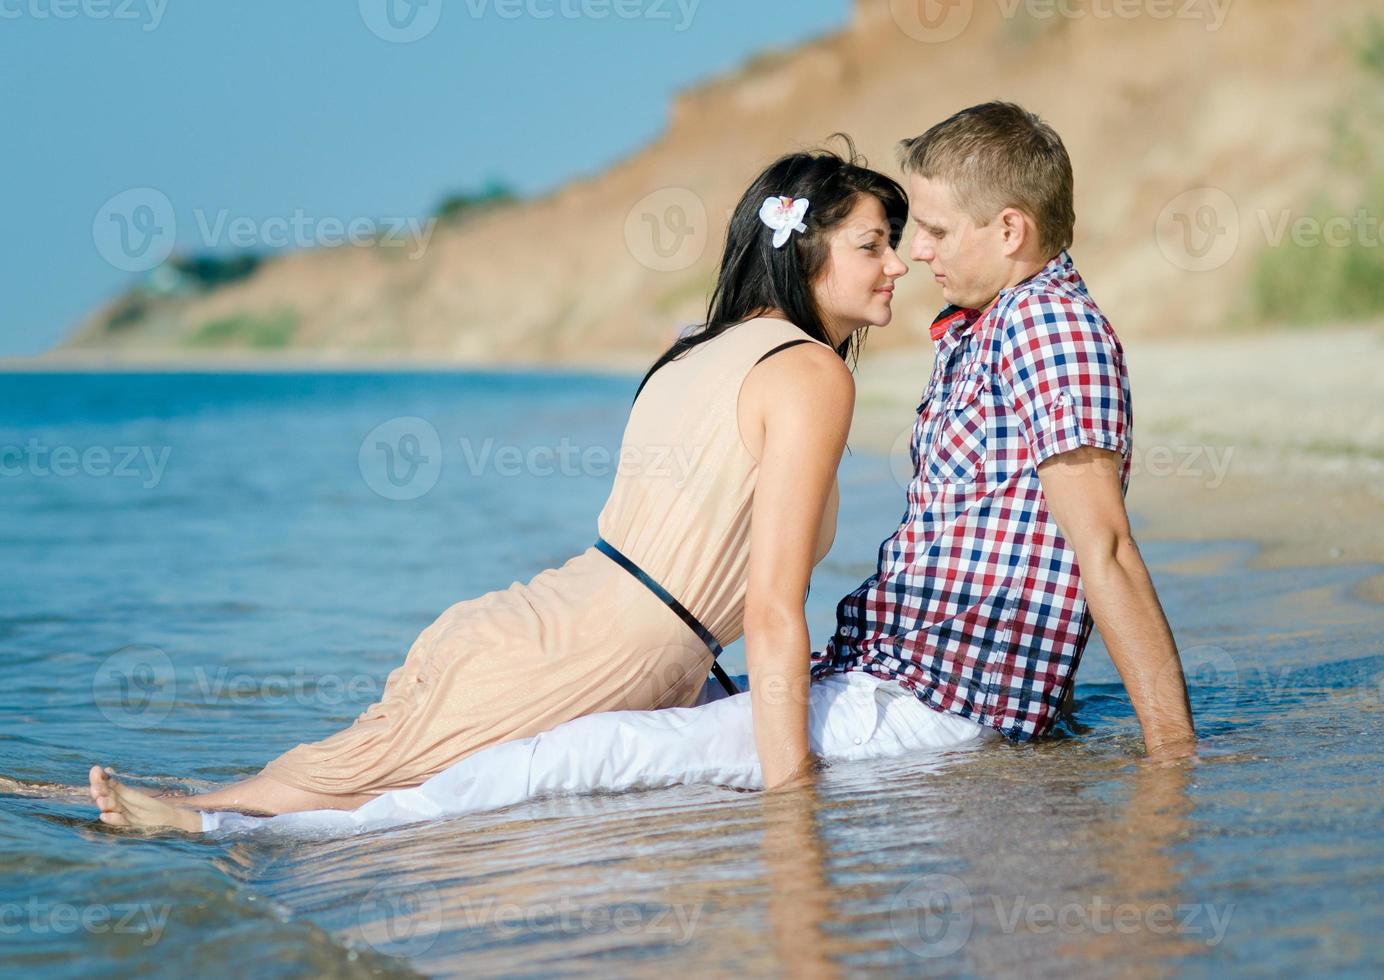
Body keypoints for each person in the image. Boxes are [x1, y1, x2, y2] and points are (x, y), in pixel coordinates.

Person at [88, 137, 914, 832]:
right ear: (804, 249)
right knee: (327, 806)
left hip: (550, 620)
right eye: (872, 244)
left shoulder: (700, 351)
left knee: (334, 784)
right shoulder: (809, 373)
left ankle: (114, 810)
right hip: (599, 652)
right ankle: (174, 824)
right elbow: (770, 606)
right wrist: (790, 796)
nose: (898, 266)